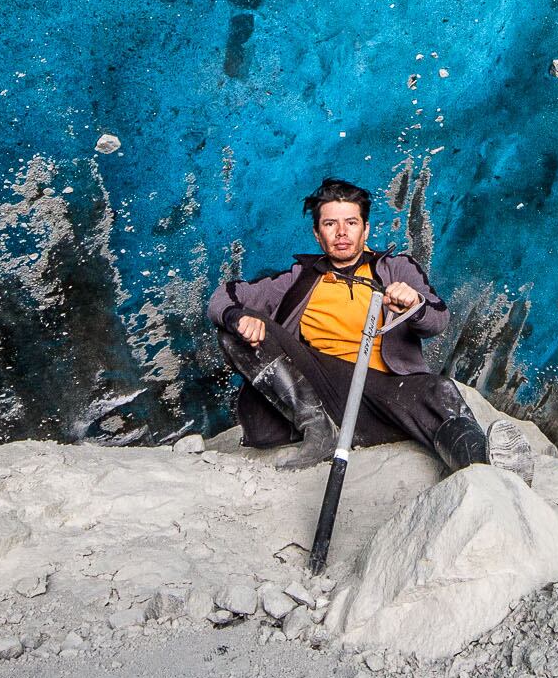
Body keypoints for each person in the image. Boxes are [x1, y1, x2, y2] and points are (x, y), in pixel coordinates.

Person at [206, 176, 534, 479]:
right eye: (330, 224)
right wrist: (239, 318)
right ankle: (317, 429)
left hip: (386, 393)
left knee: (440, 391)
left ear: (365, 229)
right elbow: (226, 296)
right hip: (321, 389)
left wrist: (414, 303)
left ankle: (486, 463)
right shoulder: (298, 278)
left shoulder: (394, 268)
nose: (341, 233)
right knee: (234, 331)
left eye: (351, 223)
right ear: (317, 234)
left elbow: (439, 318)